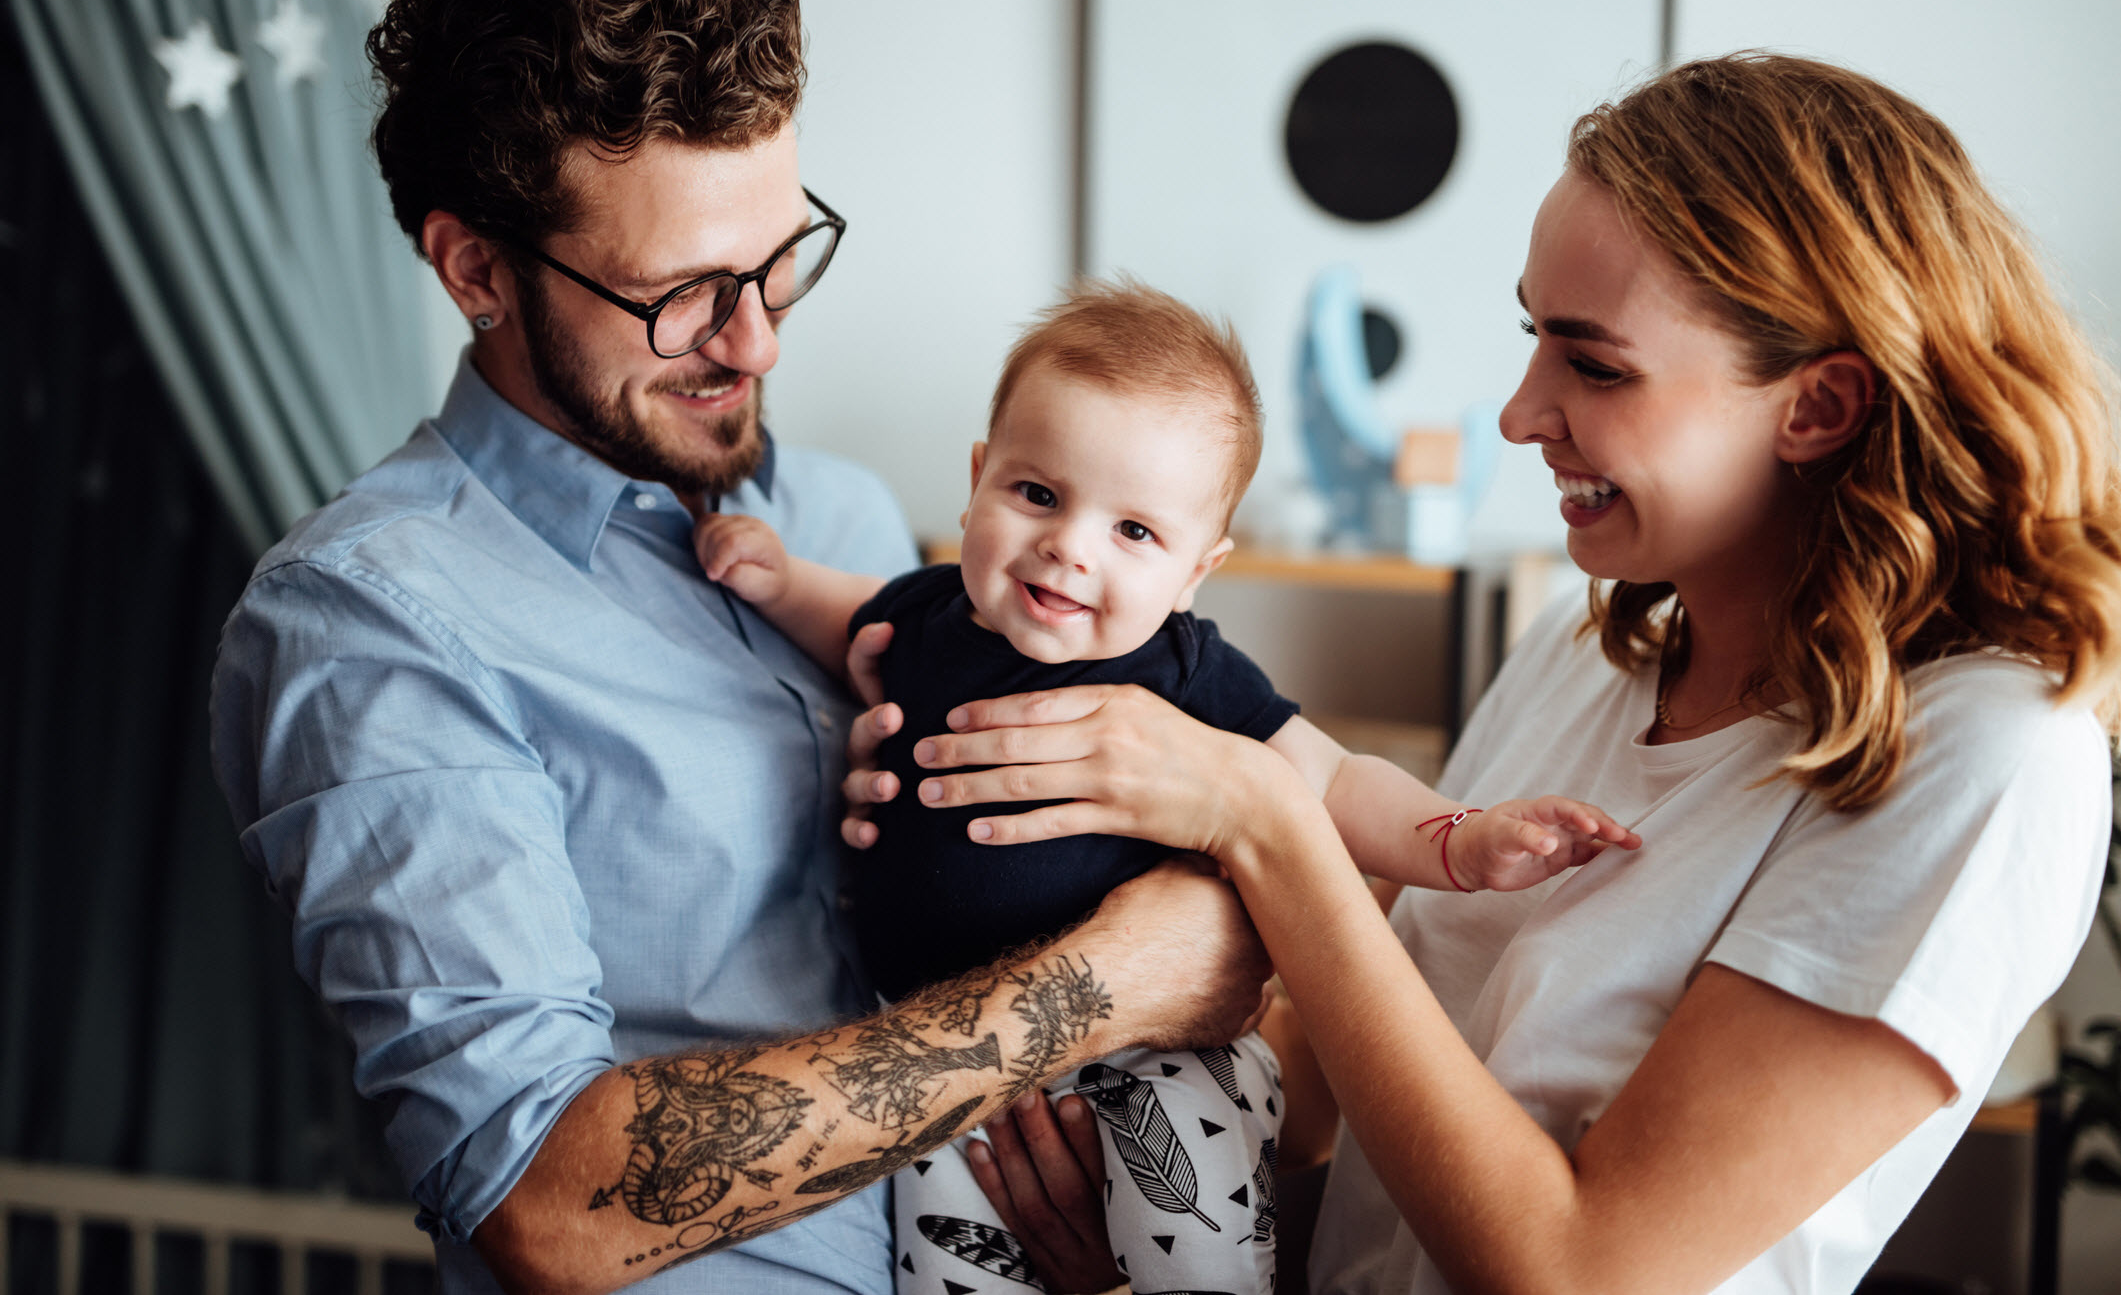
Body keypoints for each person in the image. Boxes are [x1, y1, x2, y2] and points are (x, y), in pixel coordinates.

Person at [884, 54, 2121, 1295]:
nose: (1520, 415)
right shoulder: (1588, 647)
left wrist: (1263, 820)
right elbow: (1332, 1098)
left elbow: (1579, 1272)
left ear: (1817, 406)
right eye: (1533, 339)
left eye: (1595, 365)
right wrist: (1152, 1198)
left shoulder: (1992, 755)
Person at [208, 0, 1274, 1295]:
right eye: (684, 292)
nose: (757, 337)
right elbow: (542, 1196)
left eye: (779, 259)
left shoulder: (836, 517)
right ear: (474, 267)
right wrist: (1103, 985)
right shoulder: (369, 620)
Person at [693, 279, 1636, 1295]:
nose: (1070, 545)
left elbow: (1328, 776)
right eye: (1037, 494)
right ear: (976, 482)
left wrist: (1458, 838)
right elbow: (850, 620)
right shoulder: (928, 614)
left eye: (1134, 532)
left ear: (1197, 570)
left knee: (1201, 1258)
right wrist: (781, 580)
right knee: (945, 1270)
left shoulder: (1185, 671)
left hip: (1155, 1049)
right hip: (942, 1063)